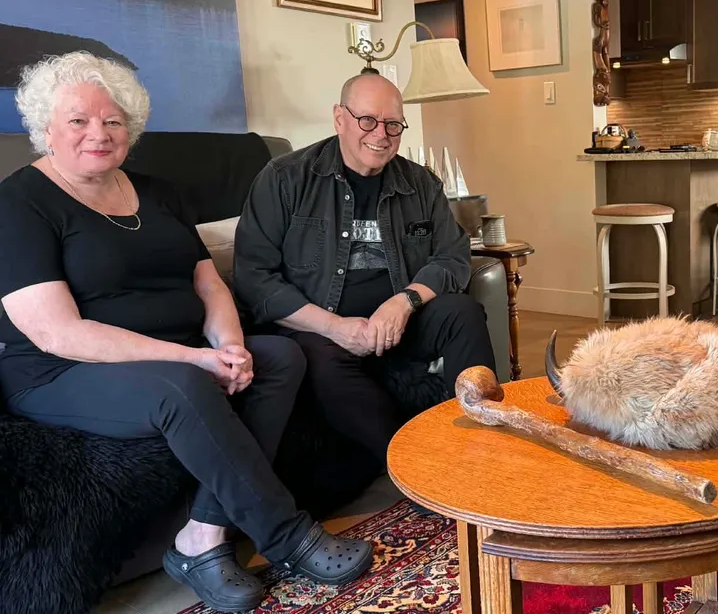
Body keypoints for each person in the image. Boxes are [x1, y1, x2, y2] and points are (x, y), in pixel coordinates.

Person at [0, 52, 373, 613]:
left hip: (176, 357)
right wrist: (192, 360)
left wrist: (230, 347)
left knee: (278, 358)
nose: (98, 133)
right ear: (45, 128)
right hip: (63, 372)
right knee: (184, 387)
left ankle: (201, 537)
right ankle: (287, 535)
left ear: (131, 127)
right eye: (78, 120)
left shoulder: (157, 190)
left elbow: (209, 286)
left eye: (113, 121)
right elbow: (58, 333)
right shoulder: (18, 203)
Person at [233, 72, 496, 465]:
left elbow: (454, 256)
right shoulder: (285, 180)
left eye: (393, 124)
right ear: (340, 118)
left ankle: (484, 445)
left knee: (463, 313)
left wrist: (404, 302)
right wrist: (334, 327)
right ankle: (413, 465)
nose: (381, 134)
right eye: (368, 120)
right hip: (319, 326)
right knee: (317, 360)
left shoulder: (420, 183)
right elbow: (254, 278)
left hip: (399, 324)